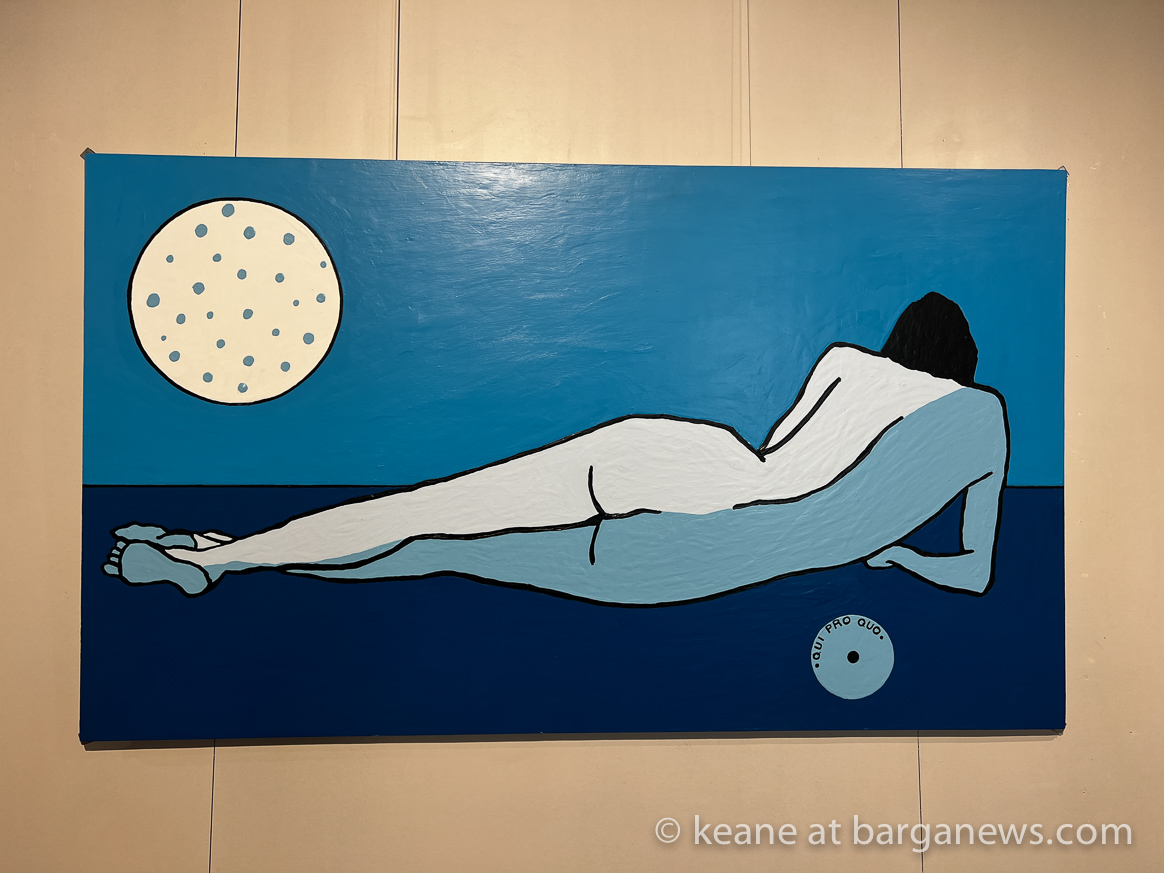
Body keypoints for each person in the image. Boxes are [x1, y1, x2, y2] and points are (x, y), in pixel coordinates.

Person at [104, 293, 1009, 603]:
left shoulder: (850, 362)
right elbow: (974, 575)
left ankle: (224, 553)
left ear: (899, 340)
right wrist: (896, 553)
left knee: (432, 509)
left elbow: (780, 458)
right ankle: (220, 562)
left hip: (693, 461)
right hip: (714, 542)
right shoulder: (984, 418)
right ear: (962, 362)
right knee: (436, 550)